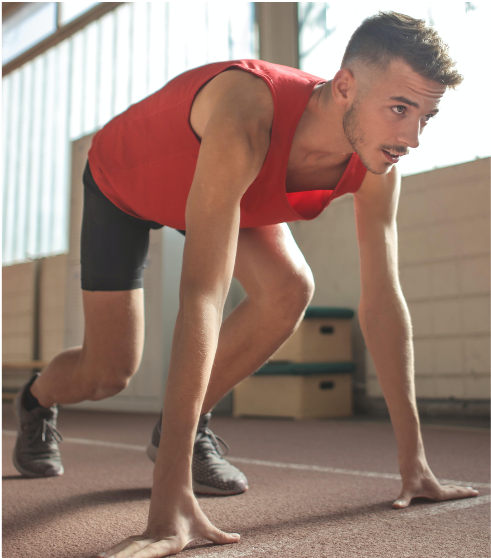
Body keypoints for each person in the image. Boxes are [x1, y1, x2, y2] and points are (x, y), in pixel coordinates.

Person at [13, 11, 479, 558]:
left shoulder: (380, 162)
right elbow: (202, 296)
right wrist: (169, 504)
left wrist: (414, 464)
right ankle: (37, 399)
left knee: (289, 288)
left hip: (224, 190)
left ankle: (182, 431)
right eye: (400, 109)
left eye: (427, 116)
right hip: (128, 181)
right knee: (108, 370)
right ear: (346, 86)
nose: (412, 137)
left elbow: (383, 300)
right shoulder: (249, 110)